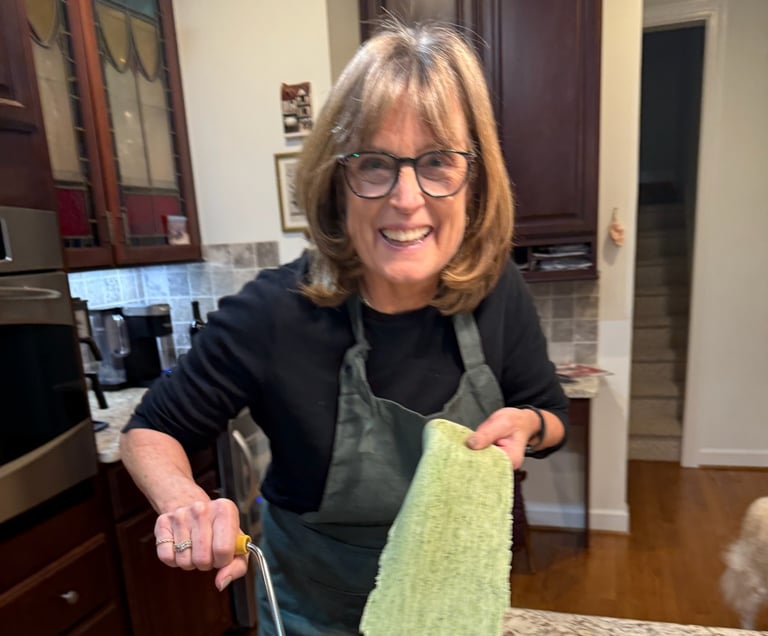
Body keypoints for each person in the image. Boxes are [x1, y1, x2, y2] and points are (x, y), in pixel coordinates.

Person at [120, 20, 568, 636]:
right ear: (338, 181)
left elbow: (550, 415)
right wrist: (187, 504)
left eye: (438, 162)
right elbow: (150, 430)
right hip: (312, 615)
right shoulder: (273, 313)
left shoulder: (497, 294)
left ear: (475, 180)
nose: (406, 198)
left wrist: (531, 425)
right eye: (375, 164)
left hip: (454, 611)